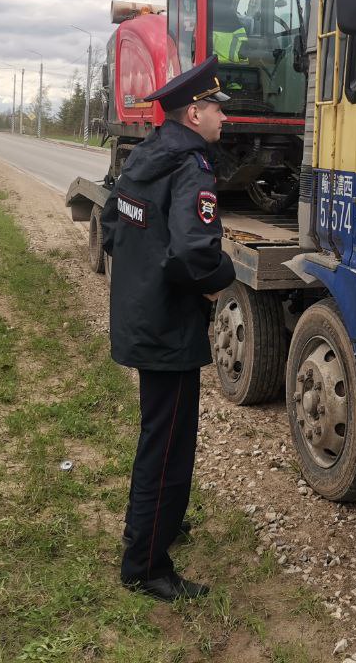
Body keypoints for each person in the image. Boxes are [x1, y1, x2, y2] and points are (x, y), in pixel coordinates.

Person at [100, 54, 238, 602]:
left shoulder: (146, 155)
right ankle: (146, 565)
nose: (223, 119)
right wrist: (218, 278)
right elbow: (193, 252)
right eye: (216, 110)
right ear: (194, 113)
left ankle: (162, 523)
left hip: (141, 315)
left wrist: (144, 275)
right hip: (170, 330)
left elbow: (113, 226)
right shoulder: (191, 167)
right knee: (170, 443)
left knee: (160, 432)